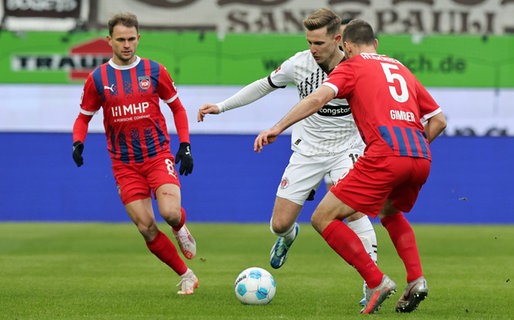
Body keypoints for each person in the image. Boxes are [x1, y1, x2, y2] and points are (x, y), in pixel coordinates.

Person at [253, 19, 447, 314]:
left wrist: (278, 127)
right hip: (420, 156)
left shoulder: (351, 65)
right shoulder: (400, 68)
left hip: (384, 155)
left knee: (322, 218)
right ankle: (416, 280)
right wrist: (414, 149)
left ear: (347, 45)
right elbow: (439, 120)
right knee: (389, 211)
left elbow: (318, 98)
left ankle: (376, 281)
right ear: (376, 43)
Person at [197, 8, 377, 303]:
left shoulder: (358, 66)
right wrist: (221, 107)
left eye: (319, 43)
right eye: (309, 42)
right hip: (307, 150)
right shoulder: (300, 64)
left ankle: (372, 283)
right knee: (279, 224)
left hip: (347, 149)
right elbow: (263, 85)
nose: (312, 49)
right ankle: (289, 236)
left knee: (353, 210)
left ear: (338, 39)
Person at [71, 12, 199, 295]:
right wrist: (77, 142)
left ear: (138, 38)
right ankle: (186, 274)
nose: (127, 45)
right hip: (124, 164)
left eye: (131, 39)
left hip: (156, 155)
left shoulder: (155, 70)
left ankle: (180, 227)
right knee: (146, 227)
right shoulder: (98, 78)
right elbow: (83, 117)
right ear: (109, 41)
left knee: (169, 213)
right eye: (121, 40)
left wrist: (185, 144)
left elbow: (177, 107)